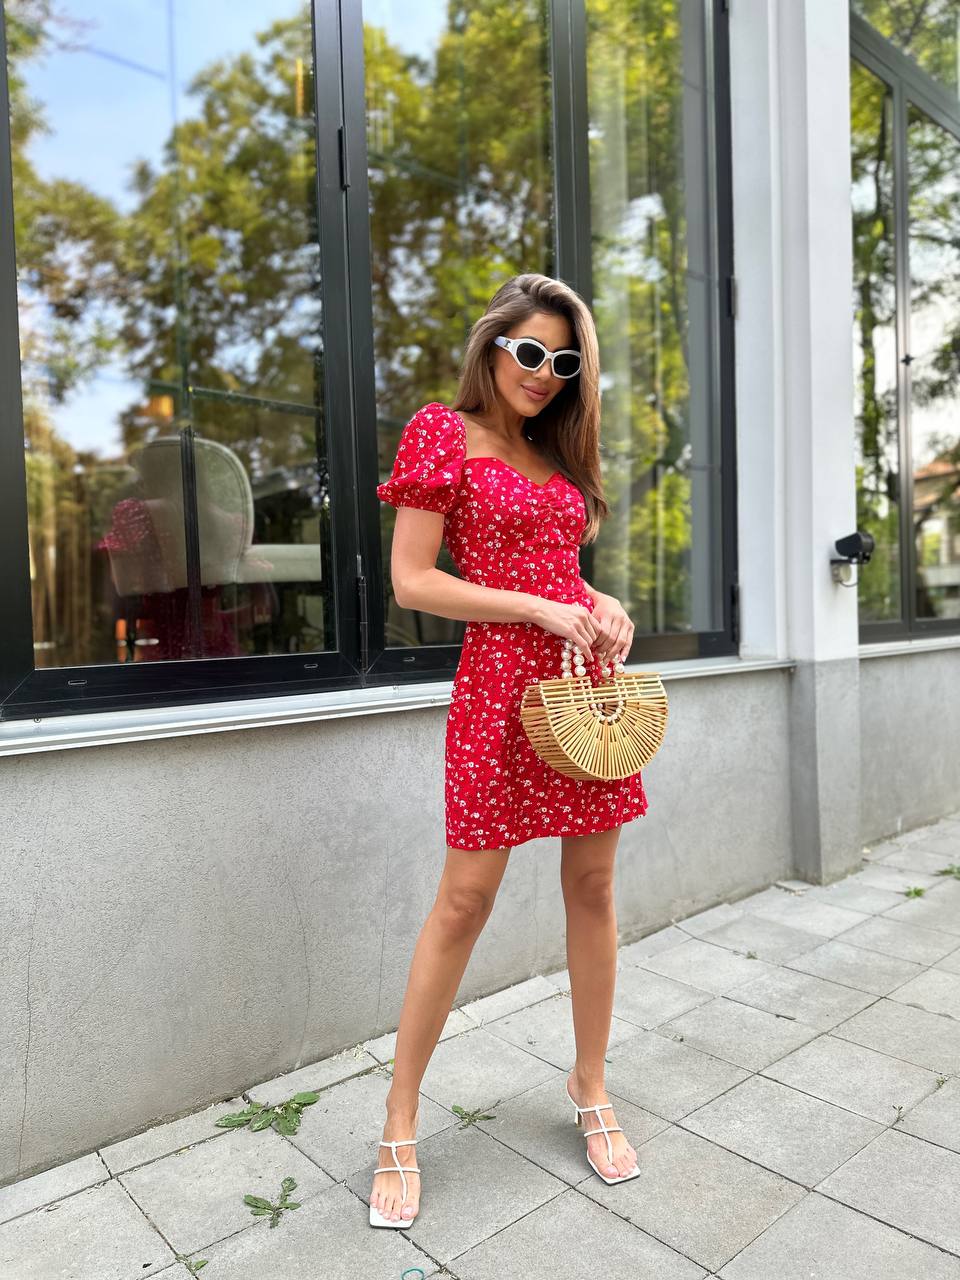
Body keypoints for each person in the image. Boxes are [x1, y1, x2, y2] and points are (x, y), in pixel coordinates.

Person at [368, 272, 649, 1229]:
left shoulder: (554, 455)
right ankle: (400, 1115)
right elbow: (412, 582)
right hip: (495, 690)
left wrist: (600, 604)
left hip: (580, 691)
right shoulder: (440, 433)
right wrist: (535, 606)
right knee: (464, 899)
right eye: (529, 352)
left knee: (596, 890)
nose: (544, 373)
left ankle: (590, 1082)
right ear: (492, 346)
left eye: (563, 361)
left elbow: (564, 573)